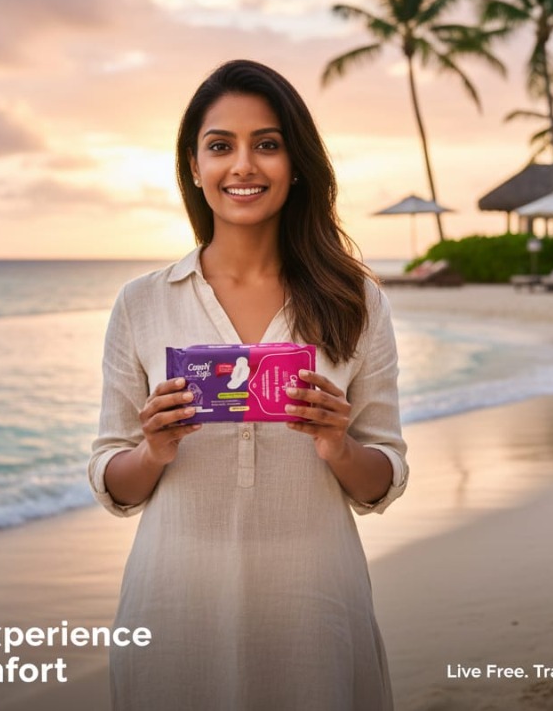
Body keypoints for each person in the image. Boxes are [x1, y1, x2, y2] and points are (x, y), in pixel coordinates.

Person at [88, 59, 408, 710]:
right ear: (194, 165)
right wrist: (153, 451)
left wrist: (338, 445)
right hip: (175, 602)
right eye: (220, 146)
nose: (243, 166)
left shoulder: (357, 301)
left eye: (267, 144)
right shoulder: (142, 303)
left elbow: (384, 477)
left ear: (296, 163)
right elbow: (110, 477)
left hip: (314, 601)